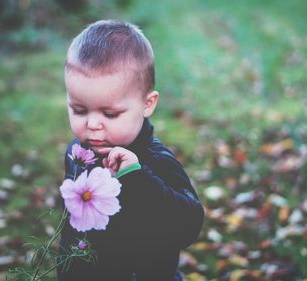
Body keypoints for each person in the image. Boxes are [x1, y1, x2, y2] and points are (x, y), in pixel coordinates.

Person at [58, 19, 204, 281]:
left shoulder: (156, 161)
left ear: (147, 104)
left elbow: (188, 226)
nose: (92, 125)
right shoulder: (78, 153)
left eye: (110, 113)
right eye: (79, 110)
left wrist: (137, 179)